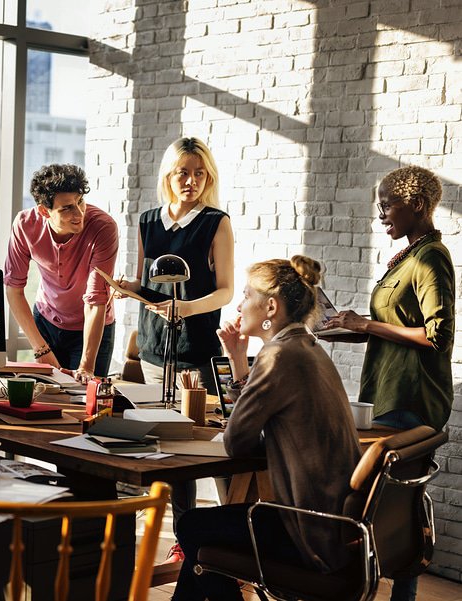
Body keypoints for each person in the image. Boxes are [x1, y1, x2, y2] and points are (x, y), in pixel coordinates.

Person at [173, 256, 361, 601]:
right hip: (334, 524)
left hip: (306, 529)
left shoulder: (277, 356)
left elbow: (237, 441)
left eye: (246, 296)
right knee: (203, 542)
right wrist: (237, 361)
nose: (240, 305)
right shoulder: (307, 348)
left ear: (271, 307)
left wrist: (242, 367)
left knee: (192, 526)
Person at [323, 165, 454, 601]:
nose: (380, 214)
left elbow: (438, 337)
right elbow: (391, 327)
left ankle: (400, 595)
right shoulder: (410, 256)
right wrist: (346, 327)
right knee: (389, 507)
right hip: (387, 395)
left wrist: (367, 325)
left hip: (411, 400)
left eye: (387, 205)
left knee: (393, 508)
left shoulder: (431, 258)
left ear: (415, 204)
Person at [114, 136, 234, 562]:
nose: (192, 181)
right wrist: (129, 288)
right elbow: (151, 285)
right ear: (169, 174)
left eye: (200, 173)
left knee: (200, 445)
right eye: (183, 172)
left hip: (195, 347)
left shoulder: (215, 222)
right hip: (151, 346)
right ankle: (185, 541)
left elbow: (224, 292)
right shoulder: (148, 220)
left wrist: (185, 308)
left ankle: (225, 538)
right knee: (165, 446)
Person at [4, 164, 118, 380]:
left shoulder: (104, 228)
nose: (79, 213)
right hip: (46, 320)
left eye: (80, 202)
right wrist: (41, 349)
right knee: (47, 396)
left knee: (86, 400)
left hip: (91, 328)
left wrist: (86, 366)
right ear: (44, 211)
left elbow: (96, 300)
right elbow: (14, 290)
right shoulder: (25, 224)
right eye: (67, 208)